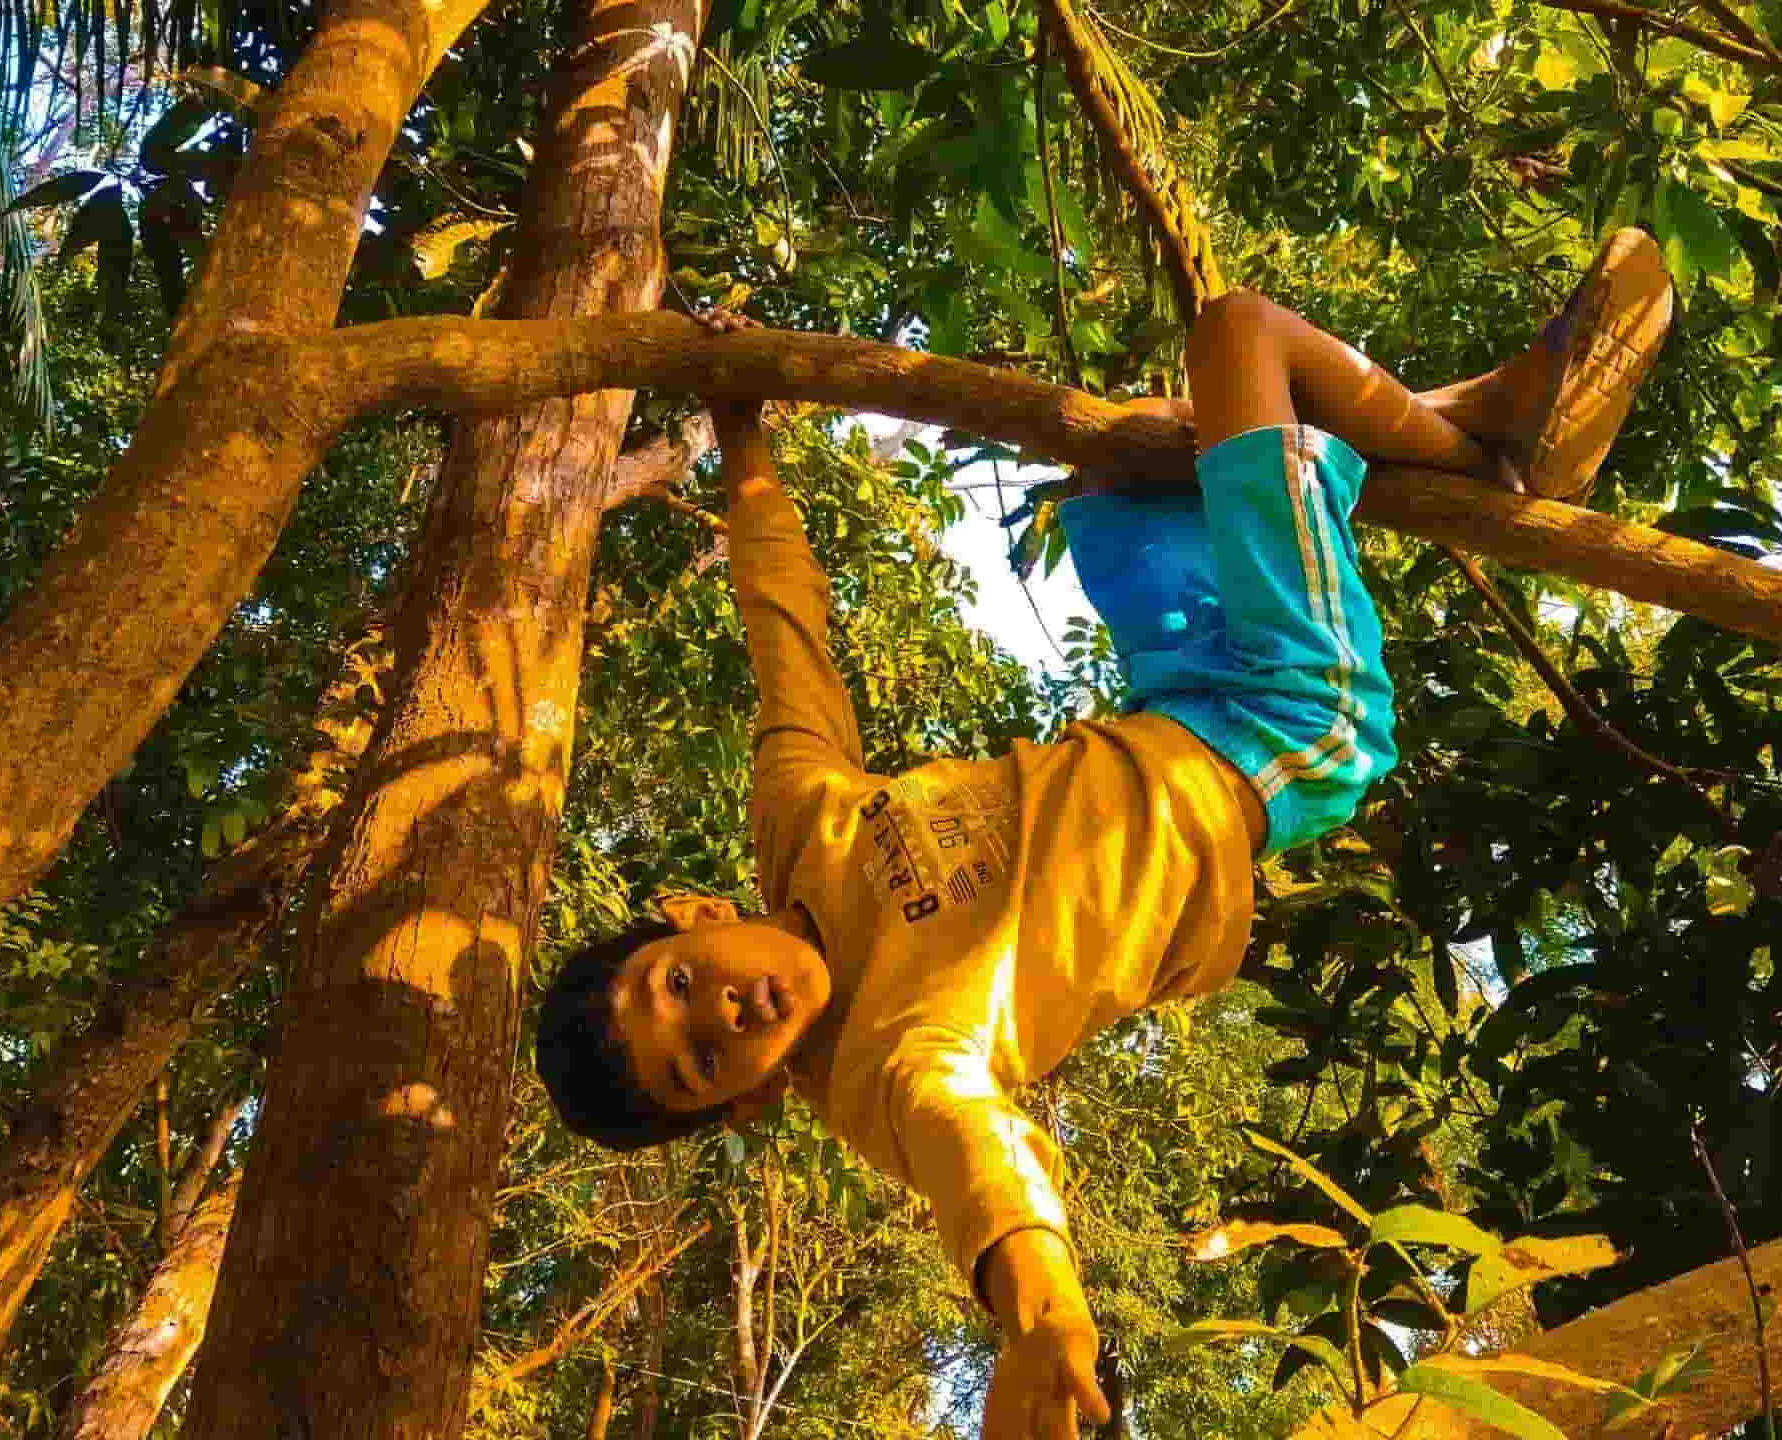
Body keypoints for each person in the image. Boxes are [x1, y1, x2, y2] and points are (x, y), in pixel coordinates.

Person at [536, 229, 1674, 1439]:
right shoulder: (890, 1067)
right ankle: (1497, 433)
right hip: (1283, 729)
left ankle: (1479, 430)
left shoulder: (803, 828)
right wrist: (1043, 1322)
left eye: (676, 987)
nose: (721, 1017)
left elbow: (784, 630)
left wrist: (741, 427)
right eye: (700, 1066)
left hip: (1176, 692)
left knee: (1122, 464)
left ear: (694, 918)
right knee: (1239, 334)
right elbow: (978, 1166)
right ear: (749, 1102)